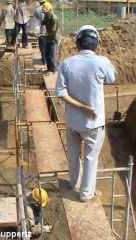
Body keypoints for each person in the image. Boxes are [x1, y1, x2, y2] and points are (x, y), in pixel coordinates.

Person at [55, 25, 118, 202]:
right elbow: (112, 78)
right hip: (94, 124)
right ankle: (85, 194)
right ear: (96, 44)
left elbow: (60, 92)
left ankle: (74, 183)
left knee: (74, 154)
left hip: (73, 122)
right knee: (91, 158)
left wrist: (80, 107)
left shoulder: (67, 64)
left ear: (77, 44)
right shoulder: (102, 62)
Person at [41, 2, 61, 75]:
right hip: (48, 38)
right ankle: (49, 69)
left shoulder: (54, 19)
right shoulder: (47, 17)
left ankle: (53, 70)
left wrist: (44, 34)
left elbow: (53, 31)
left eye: (46, 12)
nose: (45, 14)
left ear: (50, 11)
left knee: (52, 54)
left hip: (54, 38)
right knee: (47, 54)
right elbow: (44, 22)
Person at [34, 0, 47, 64]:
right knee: (48, 45)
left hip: (41, 30)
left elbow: (36, 20)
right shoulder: (49, 8)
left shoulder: (37, 10)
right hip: (48, 30)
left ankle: (44, 59)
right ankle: (48, 59)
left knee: (42, 46)